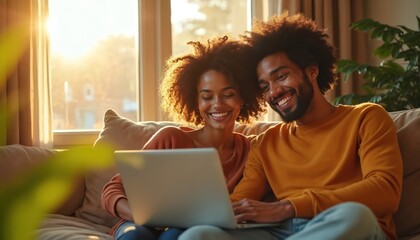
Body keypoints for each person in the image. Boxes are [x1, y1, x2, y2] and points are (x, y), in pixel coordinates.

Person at [178, 12, 403, 240]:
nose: (274, 92)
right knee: (198, 235)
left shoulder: (366, 118)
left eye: (281, 76)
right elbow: (237, 205)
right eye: (264, 86)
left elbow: (385, 191)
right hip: (284, 232)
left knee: (356, 216)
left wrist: (288, 207)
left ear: (312, 71)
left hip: (345, 226)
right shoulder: (266, 143)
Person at [101, 35, 266, 240]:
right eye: (206, 97)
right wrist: (140, 216)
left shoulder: (251, 151)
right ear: (195, 101)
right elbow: (112, 190)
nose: (217, 104)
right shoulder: (172, 138)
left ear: (243, 97)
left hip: (187, 231)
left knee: (175, 236)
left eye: (228, 94)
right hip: (137, 225)